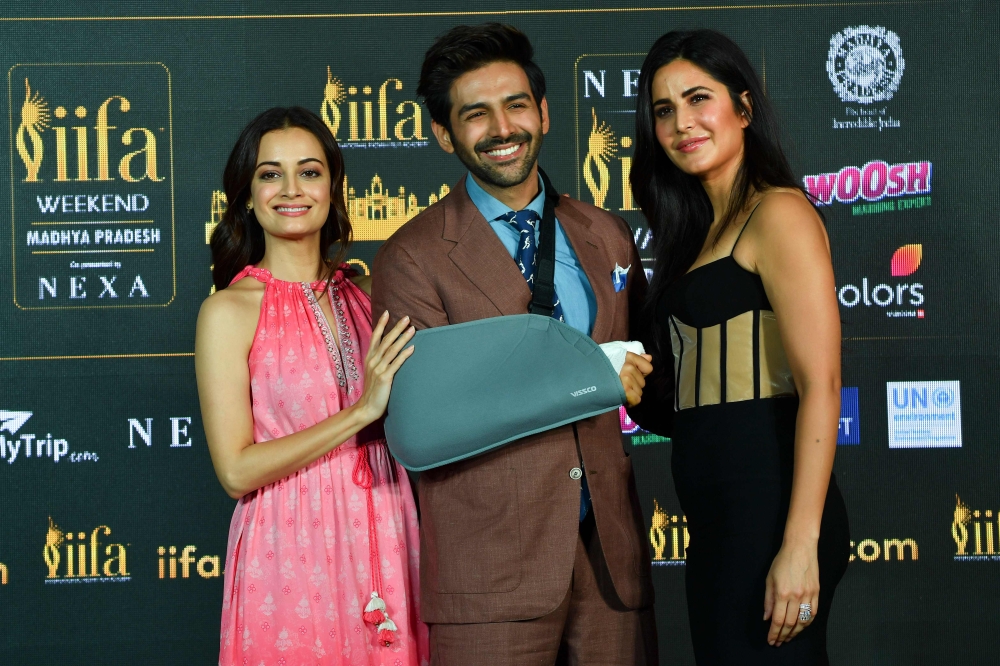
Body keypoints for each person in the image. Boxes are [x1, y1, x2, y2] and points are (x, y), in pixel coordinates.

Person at [372, 23, 657, 666]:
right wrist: (595, 377)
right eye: (476, 114)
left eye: (517, 104)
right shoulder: (413, 257)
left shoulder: (604, 234)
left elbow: (647, 369)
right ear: (445, 134)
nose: (503, 128)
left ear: (545, 112)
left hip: (612, 565)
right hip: (489, 572)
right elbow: (427, 421)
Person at [628, 29, 851, 664]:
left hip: (773, 517)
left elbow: (822, 385)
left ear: (744, 109)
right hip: (717, 523)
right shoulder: (695, 236)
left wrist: (800, 543)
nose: (682, 123)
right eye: (663, 110)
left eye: (699, 99)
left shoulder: (778, 213)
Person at [195, 107, 429, 665]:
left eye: (310, 171)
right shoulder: (228, 311)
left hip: (388, 528)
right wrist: (359, 412)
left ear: (334, 187)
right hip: (286, 549)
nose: (292, 189)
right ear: (248, 195)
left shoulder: (373, 290)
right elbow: (235, 470)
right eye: (271, 174)